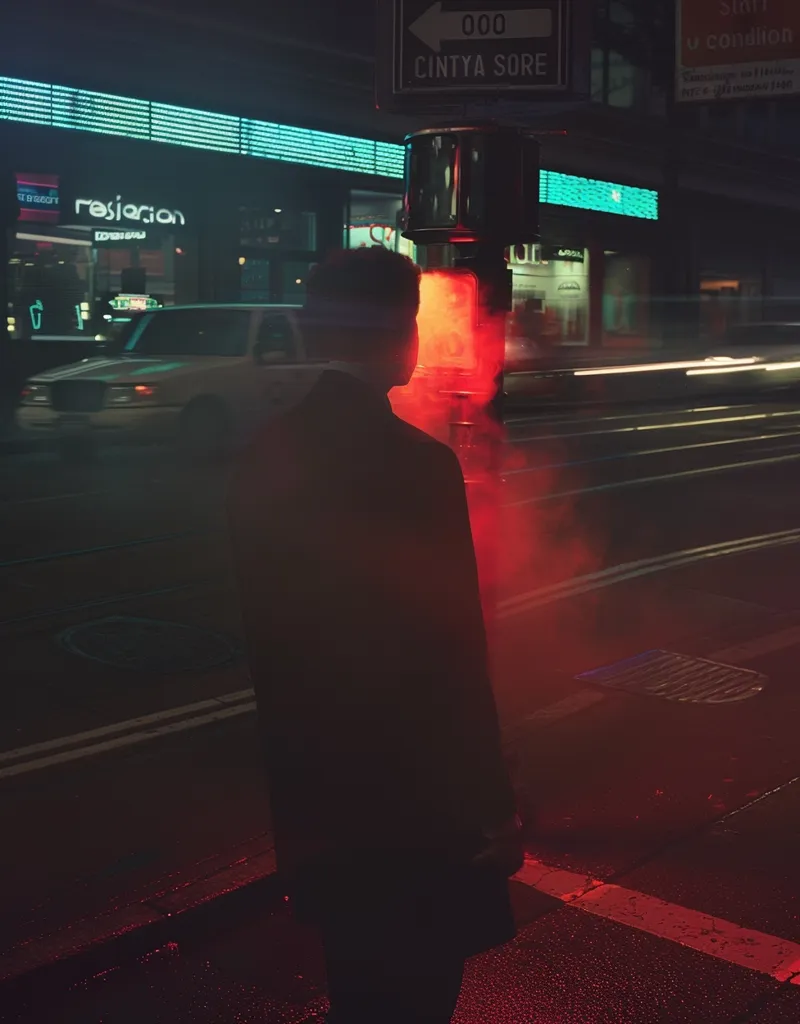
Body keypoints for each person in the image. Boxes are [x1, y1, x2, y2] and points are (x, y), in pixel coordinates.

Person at [227, 247, 522, 1024]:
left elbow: (272, 648)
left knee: (356, 984)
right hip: (417, 798)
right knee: (421, 988)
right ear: (399, 334)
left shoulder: (261, 457)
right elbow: (452, 653)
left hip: (319, 790)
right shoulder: (420, 465)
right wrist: (492, 803)